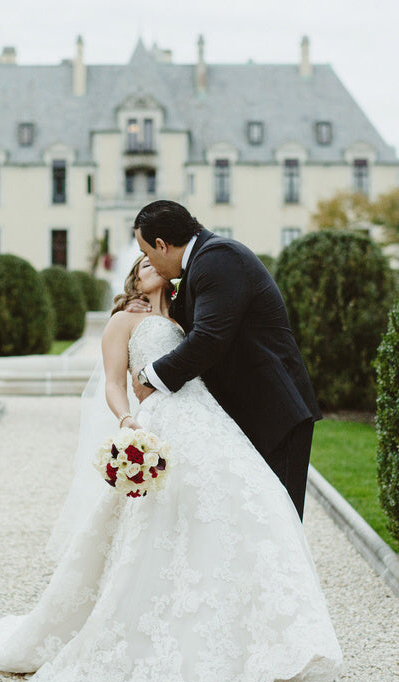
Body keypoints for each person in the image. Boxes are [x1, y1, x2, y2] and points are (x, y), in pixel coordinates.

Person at [0, 255, 343, 682]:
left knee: (243, 508)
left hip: (208, 421)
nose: (151, 262)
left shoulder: (189, 314)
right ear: (134, 277)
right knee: (156, 528)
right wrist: (129, 423)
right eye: (142, 260)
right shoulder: (124, 320)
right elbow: (112, 382)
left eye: (155, 256)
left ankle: (254, 642)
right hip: (159, 422)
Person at [131, 200, 322, 520]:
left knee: (279, 521)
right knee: (255, 520)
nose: (147, 261)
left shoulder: (218, 258)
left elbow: (208, 339)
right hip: (250, 413)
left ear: (162, 245)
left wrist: (148, 376)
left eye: (147, 253)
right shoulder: (205, 261)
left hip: (275, 414)